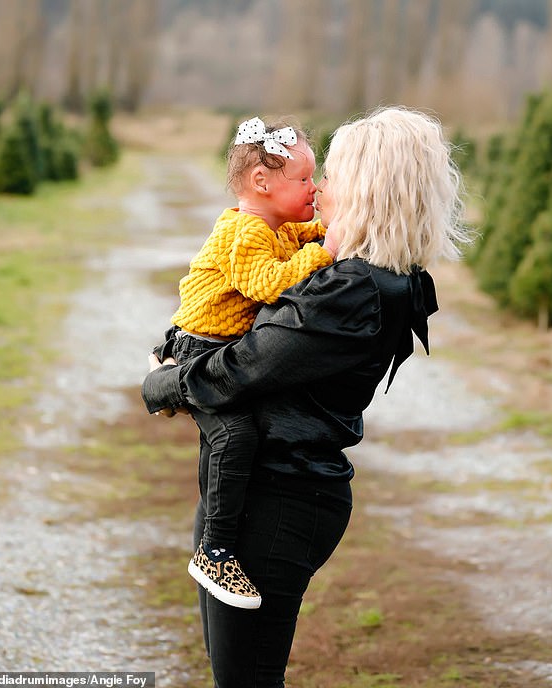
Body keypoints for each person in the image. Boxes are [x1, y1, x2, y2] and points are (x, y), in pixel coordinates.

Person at [142, 106, 468, 688]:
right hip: (270, 488)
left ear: (369, 189)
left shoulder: (351, 289)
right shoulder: (373, 275)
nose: (320, 189)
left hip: (278, 497)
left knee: (246, 679)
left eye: (334, 176)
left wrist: (161, 381)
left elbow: (243, 368)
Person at [152, 116, 335, 610]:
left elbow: (311, 234)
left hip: (221, 344)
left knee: (242, 430)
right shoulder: (245, 232)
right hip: (201, 347)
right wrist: (329, 252)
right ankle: (214, 551)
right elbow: (271, 285)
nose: (314, 188)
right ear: (262, 182)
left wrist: (338, 229)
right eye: (304, 180)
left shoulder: (278, 224)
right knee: (235, 436)